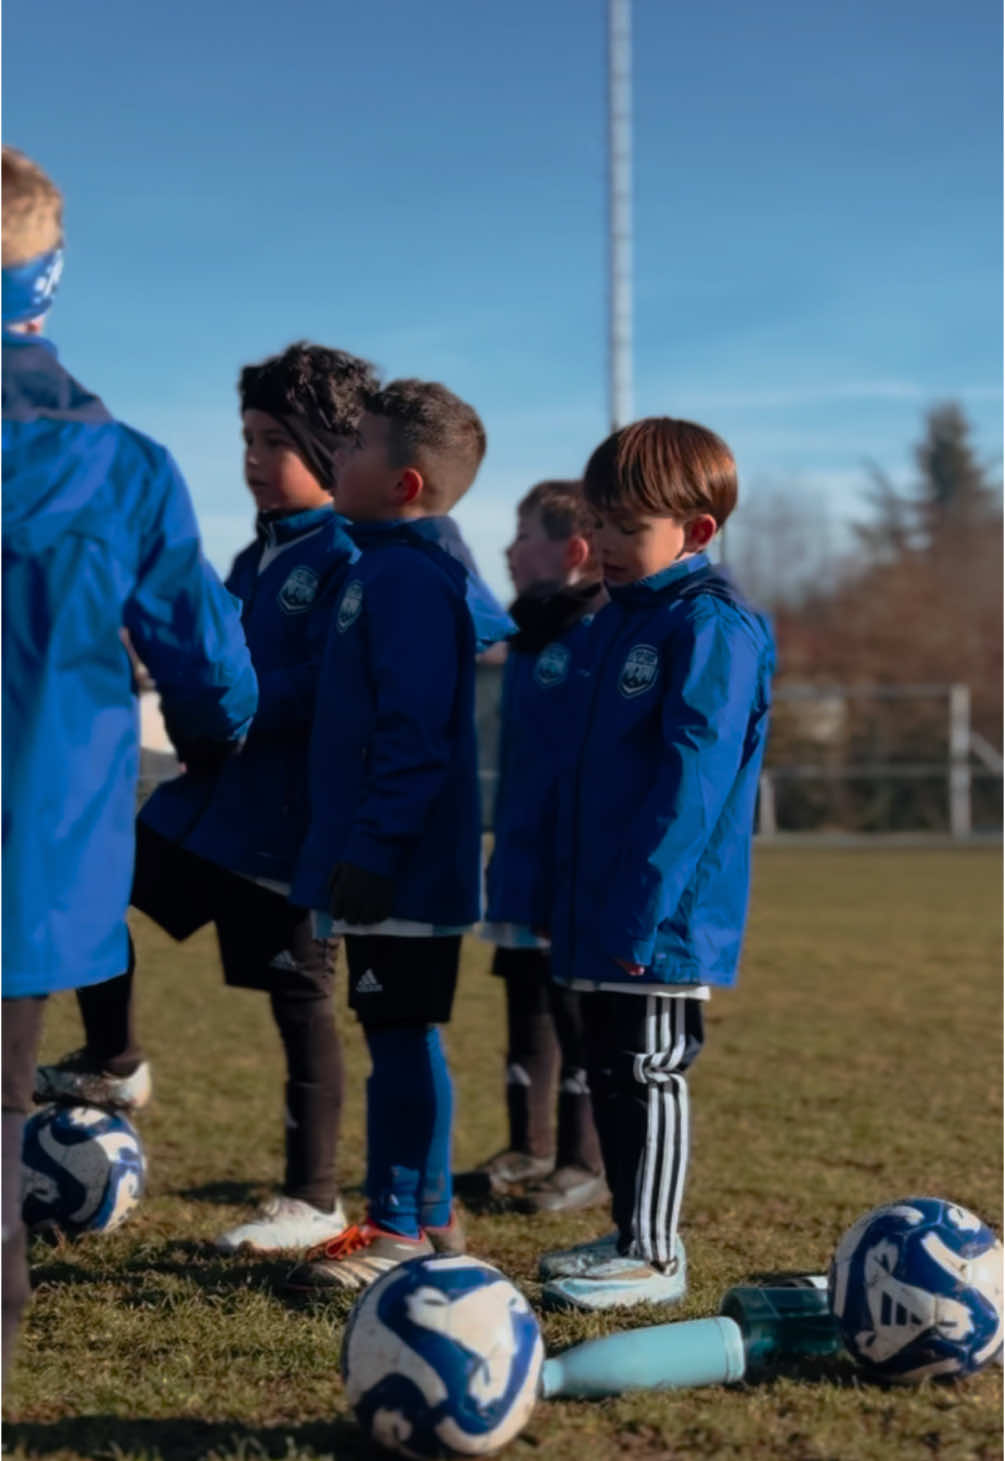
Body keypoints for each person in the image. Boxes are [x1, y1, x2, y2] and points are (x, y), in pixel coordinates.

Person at [1, 146, 258, 1375]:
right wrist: (218, 740)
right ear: (49, 280)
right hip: (39, 829)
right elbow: (203, 655)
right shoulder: (125, 467)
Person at [37, 342, 377, 1255]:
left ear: (340, 453)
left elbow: (333, 689)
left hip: (289, 832)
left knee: (300, 1004)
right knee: (89, 874)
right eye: (248, 439)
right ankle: (113, 1058)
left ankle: (312, 1196)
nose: (255, 460)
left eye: (276, 441)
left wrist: (243, 693)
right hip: (209, 810)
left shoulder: (353, 558)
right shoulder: (249, 553)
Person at [536, 417, 775, 1311]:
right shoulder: (614, 626)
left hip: (663, 916)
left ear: (697, 531)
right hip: (602, 904)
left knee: (649, 1068)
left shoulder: (712, 630)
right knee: (608, 1067)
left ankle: (655, 1252)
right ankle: (627, 1228)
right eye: (598, 524)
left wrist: (641, 908)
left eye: (629, 529)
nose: (603, 546)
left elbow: (695, 789)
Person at [283, 379, 513, 1293]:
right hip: (383, 858)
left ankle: (398, 1229)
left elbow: (414, 738)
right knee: (396, 1031)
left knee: (401, 1038)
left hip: (406, 866)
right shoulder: (378, 564)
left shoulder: (413, 579)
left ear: (405, 483)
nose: (339, 454)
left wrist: (374, 851)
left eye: (360, 443)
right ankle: (428, 1220)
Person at [457, 480, 608, 1214]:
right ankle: (529, 1144)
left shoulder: (600, 631)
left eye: (523, 536)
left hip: (571, 859)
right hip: (516, 851)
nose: (508, 550)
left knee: (575, 1007)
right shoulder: (525, 634)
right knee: (523, 998)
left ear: (573, 550)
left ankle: (585, 1159)